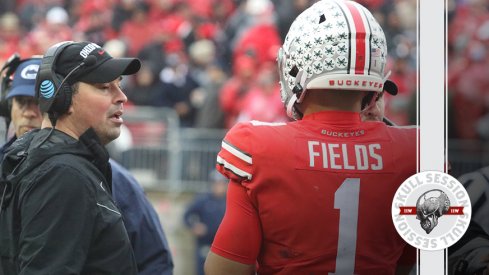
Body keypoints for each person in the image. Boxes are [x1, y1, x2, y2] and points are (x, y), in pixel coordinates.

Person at [204, 0, 417, 274]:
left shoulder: (258, 148)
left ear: (298, 66)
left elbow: (225, 269)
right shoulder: (415, 153)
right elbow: (411, 261)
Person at [0, 53, 174, 275]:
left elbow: (153, 261)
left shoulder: (83, 169)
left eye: (36, 101)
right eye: (103, 87)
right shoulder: (62, 173)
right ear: (62, 98)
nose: (122, 97)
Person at [183, 170, 227, 275]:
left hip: (224, 246)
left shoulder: (230, 201)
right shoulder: (203, 200)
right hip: (205, 245)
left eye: (221, 183)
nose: (219, 186)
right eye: (216, 183)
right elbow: (186, 215)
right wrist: (194, 226)